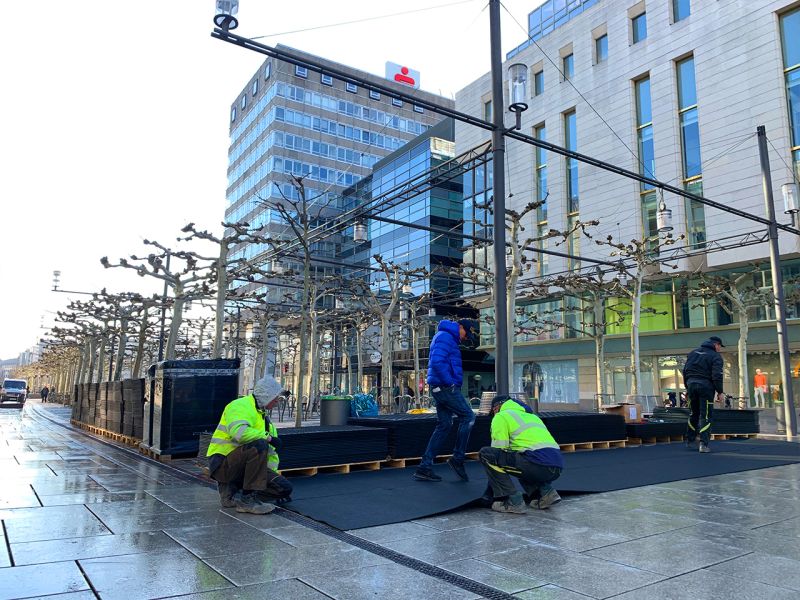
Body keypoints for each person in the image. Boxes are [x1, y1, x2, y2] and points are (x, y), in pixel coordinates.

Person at [206, 375, 292, 514]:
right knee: (259, 444)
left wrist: (270, 477)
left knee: (284, 488)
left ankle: (235, 495)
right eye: (276, 397)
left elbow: (271, 455)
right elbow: (239, 433)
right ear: (266, 396)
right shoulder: (240, 405)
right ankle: (246, 501)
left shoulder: (264, 419)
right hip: (222, 464)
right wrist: (268, 438)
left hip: (242, 466)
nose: (277, 401)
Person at [413, 319, 475, 482]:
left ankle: (424, 467)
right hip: (445, 387)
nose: (464, 337)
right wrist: (450, 383)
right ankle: (458, 459)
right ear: (460, 327)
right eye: (465, 333)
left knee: (444, 425)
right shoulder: (445, 337)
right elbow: (437, 362)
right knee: (468, 417)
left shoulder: (445, 337)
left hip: (440, 386)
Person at [479, 395, 563, 513]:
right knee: (519, 460)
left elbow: (499, 450)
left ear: (497, 407)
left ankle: (514, 501)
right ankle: (546, 493)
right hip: (557, 466)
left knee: (486, 454)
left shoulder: (501, 416)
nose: (493, 414)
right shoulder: (532, 416)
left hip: (537, 465)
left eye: (493, 411)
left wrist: (490, 493)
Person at [683, 336, 725, 453]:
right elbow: (717, 375)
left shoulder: (693, 353)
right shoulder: (716, 356)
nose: (720, 349)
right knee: (706, 415)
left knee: (693, 413)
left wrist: (687, 387)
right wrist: (720, 392)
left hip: (691, 385)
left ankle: (690, 440)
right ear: (716, 344)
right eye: (720, 346)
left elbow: (685, 371)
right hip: (706, 388)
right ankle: (703, 444)